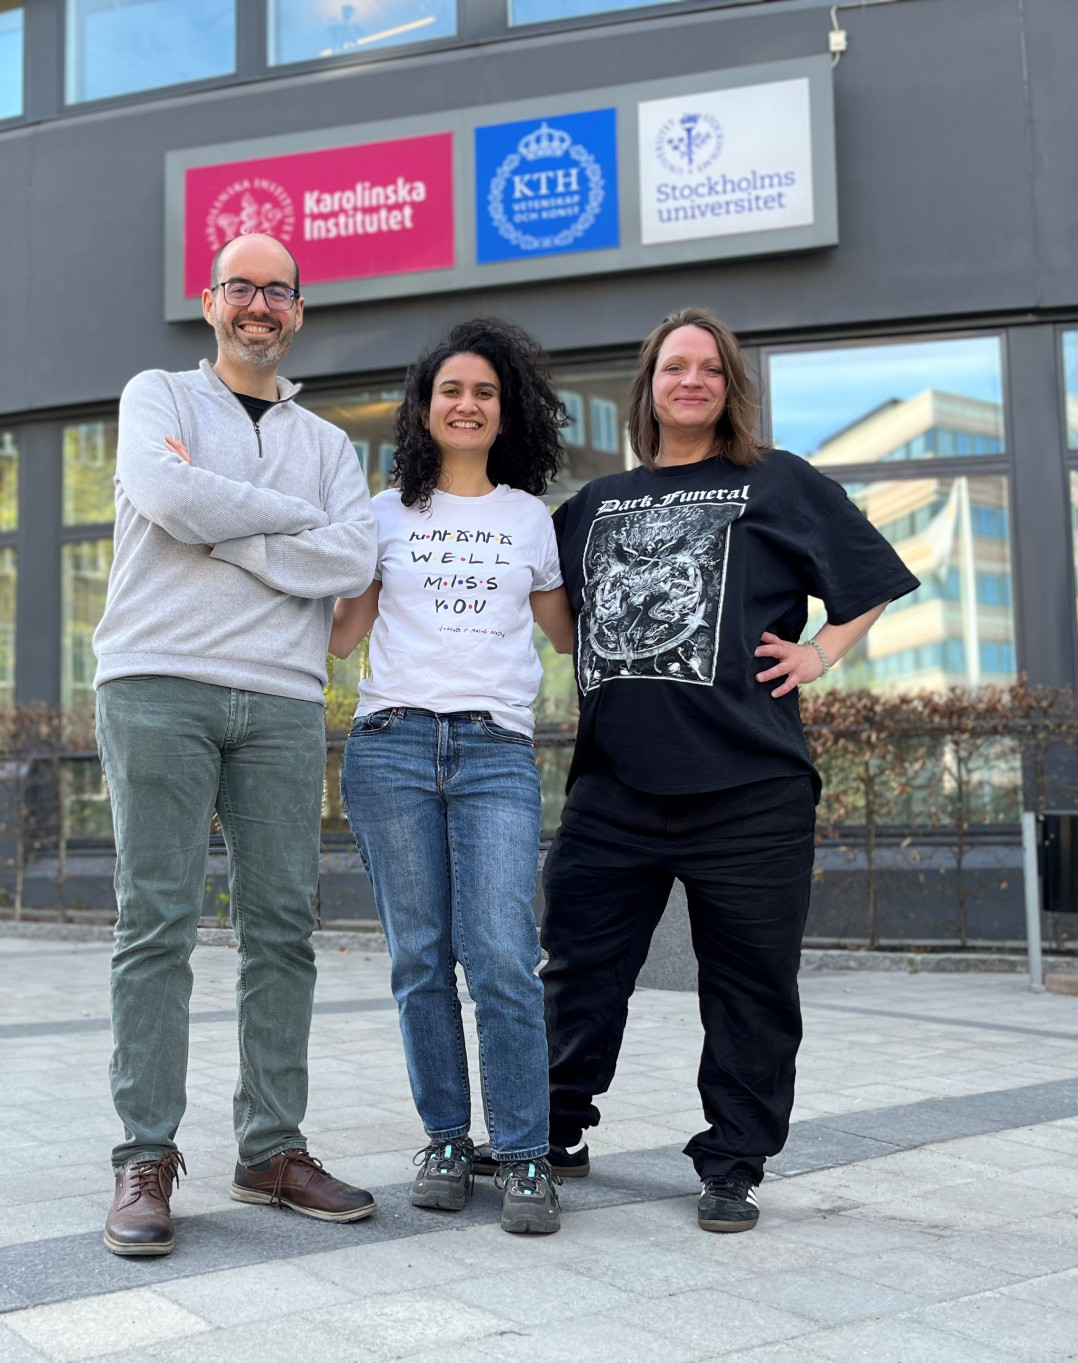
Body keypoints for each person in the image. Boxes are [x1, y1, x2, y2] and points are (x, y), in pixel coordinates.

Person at [542, 307, 918, 1233]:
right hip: (614, 786)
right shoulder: (594, 506)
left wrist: (820, 654)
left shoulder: (777, 482)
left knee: (749, 985)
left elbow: (866, 581)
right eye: (675, 366)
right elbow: (540, 598)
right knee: (578, 972)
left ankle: (732, 1161)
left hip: (751, 789)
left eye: (710, 367)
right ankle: (550, 1129)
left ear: (728, 386)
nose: (693, 380)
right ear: (650, 386)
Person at [94, 232, 379, 1258]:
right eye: (242, 288)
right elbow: (166, 497)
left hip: (283, 700)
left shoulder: (331, 446)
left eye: (279, 292)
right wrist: (287, 530)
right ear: (208, 301)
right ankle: (144, 1156)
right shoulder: (157, 399)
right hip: (156, 679)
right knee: (155, 925)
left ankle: (270, 1148)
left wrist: (226, 527)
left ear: (298, 311)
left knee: (280, 933)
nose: (260, 305)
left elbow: (350, 555)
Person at [330, 318, 576, 1235]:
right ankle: (443, 1138)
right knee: (419, 958)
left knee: (504, 956)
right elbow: (342, 632)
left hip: (493, 752)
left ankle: (521, 1155)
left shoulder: (527, 519)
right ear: (423, 410)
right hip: (390, 745)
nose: (465, 404)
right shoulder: (381, 511)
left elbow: (565, 636)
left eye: (483, 392)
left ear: (504, 411)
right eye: (450, 392)